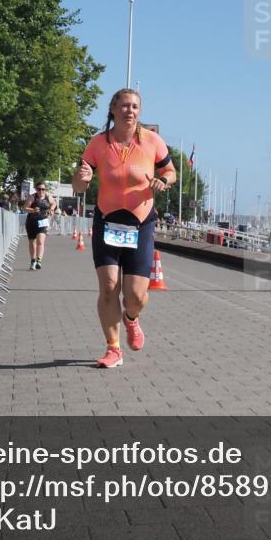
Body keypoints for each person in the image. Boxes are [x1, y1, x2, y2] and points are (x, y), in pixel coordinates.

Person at [72, 88, 177, 369]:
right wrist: (82, 178)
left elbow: (170, 172)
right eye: (125, 106)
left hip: (140, 224)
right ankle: (113, 348)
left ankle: (131, 319)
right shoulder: (97, 144)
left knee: (136, 296)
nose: (130, 110)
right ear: (113, 109)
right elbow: (79, 185)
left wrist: (162, 182)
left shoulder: (152, 141)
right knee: (108, 287)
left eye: (135, 107)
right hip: (107, 222)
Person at [24, 182, 56, 270]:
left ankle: (39, 260)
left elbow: (54, 203)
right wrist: (33, 210)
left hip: (43, 222)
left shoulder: (48, 197)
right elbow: (25, 208)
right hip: (31, 222)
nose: (41, 191)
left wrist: (52, 209)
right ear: (36, 189)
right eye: (39, 189)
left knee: (40, 241)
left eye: (43, 189)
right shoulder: (32, 197)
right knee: (32, 242)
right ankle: (33, 260)